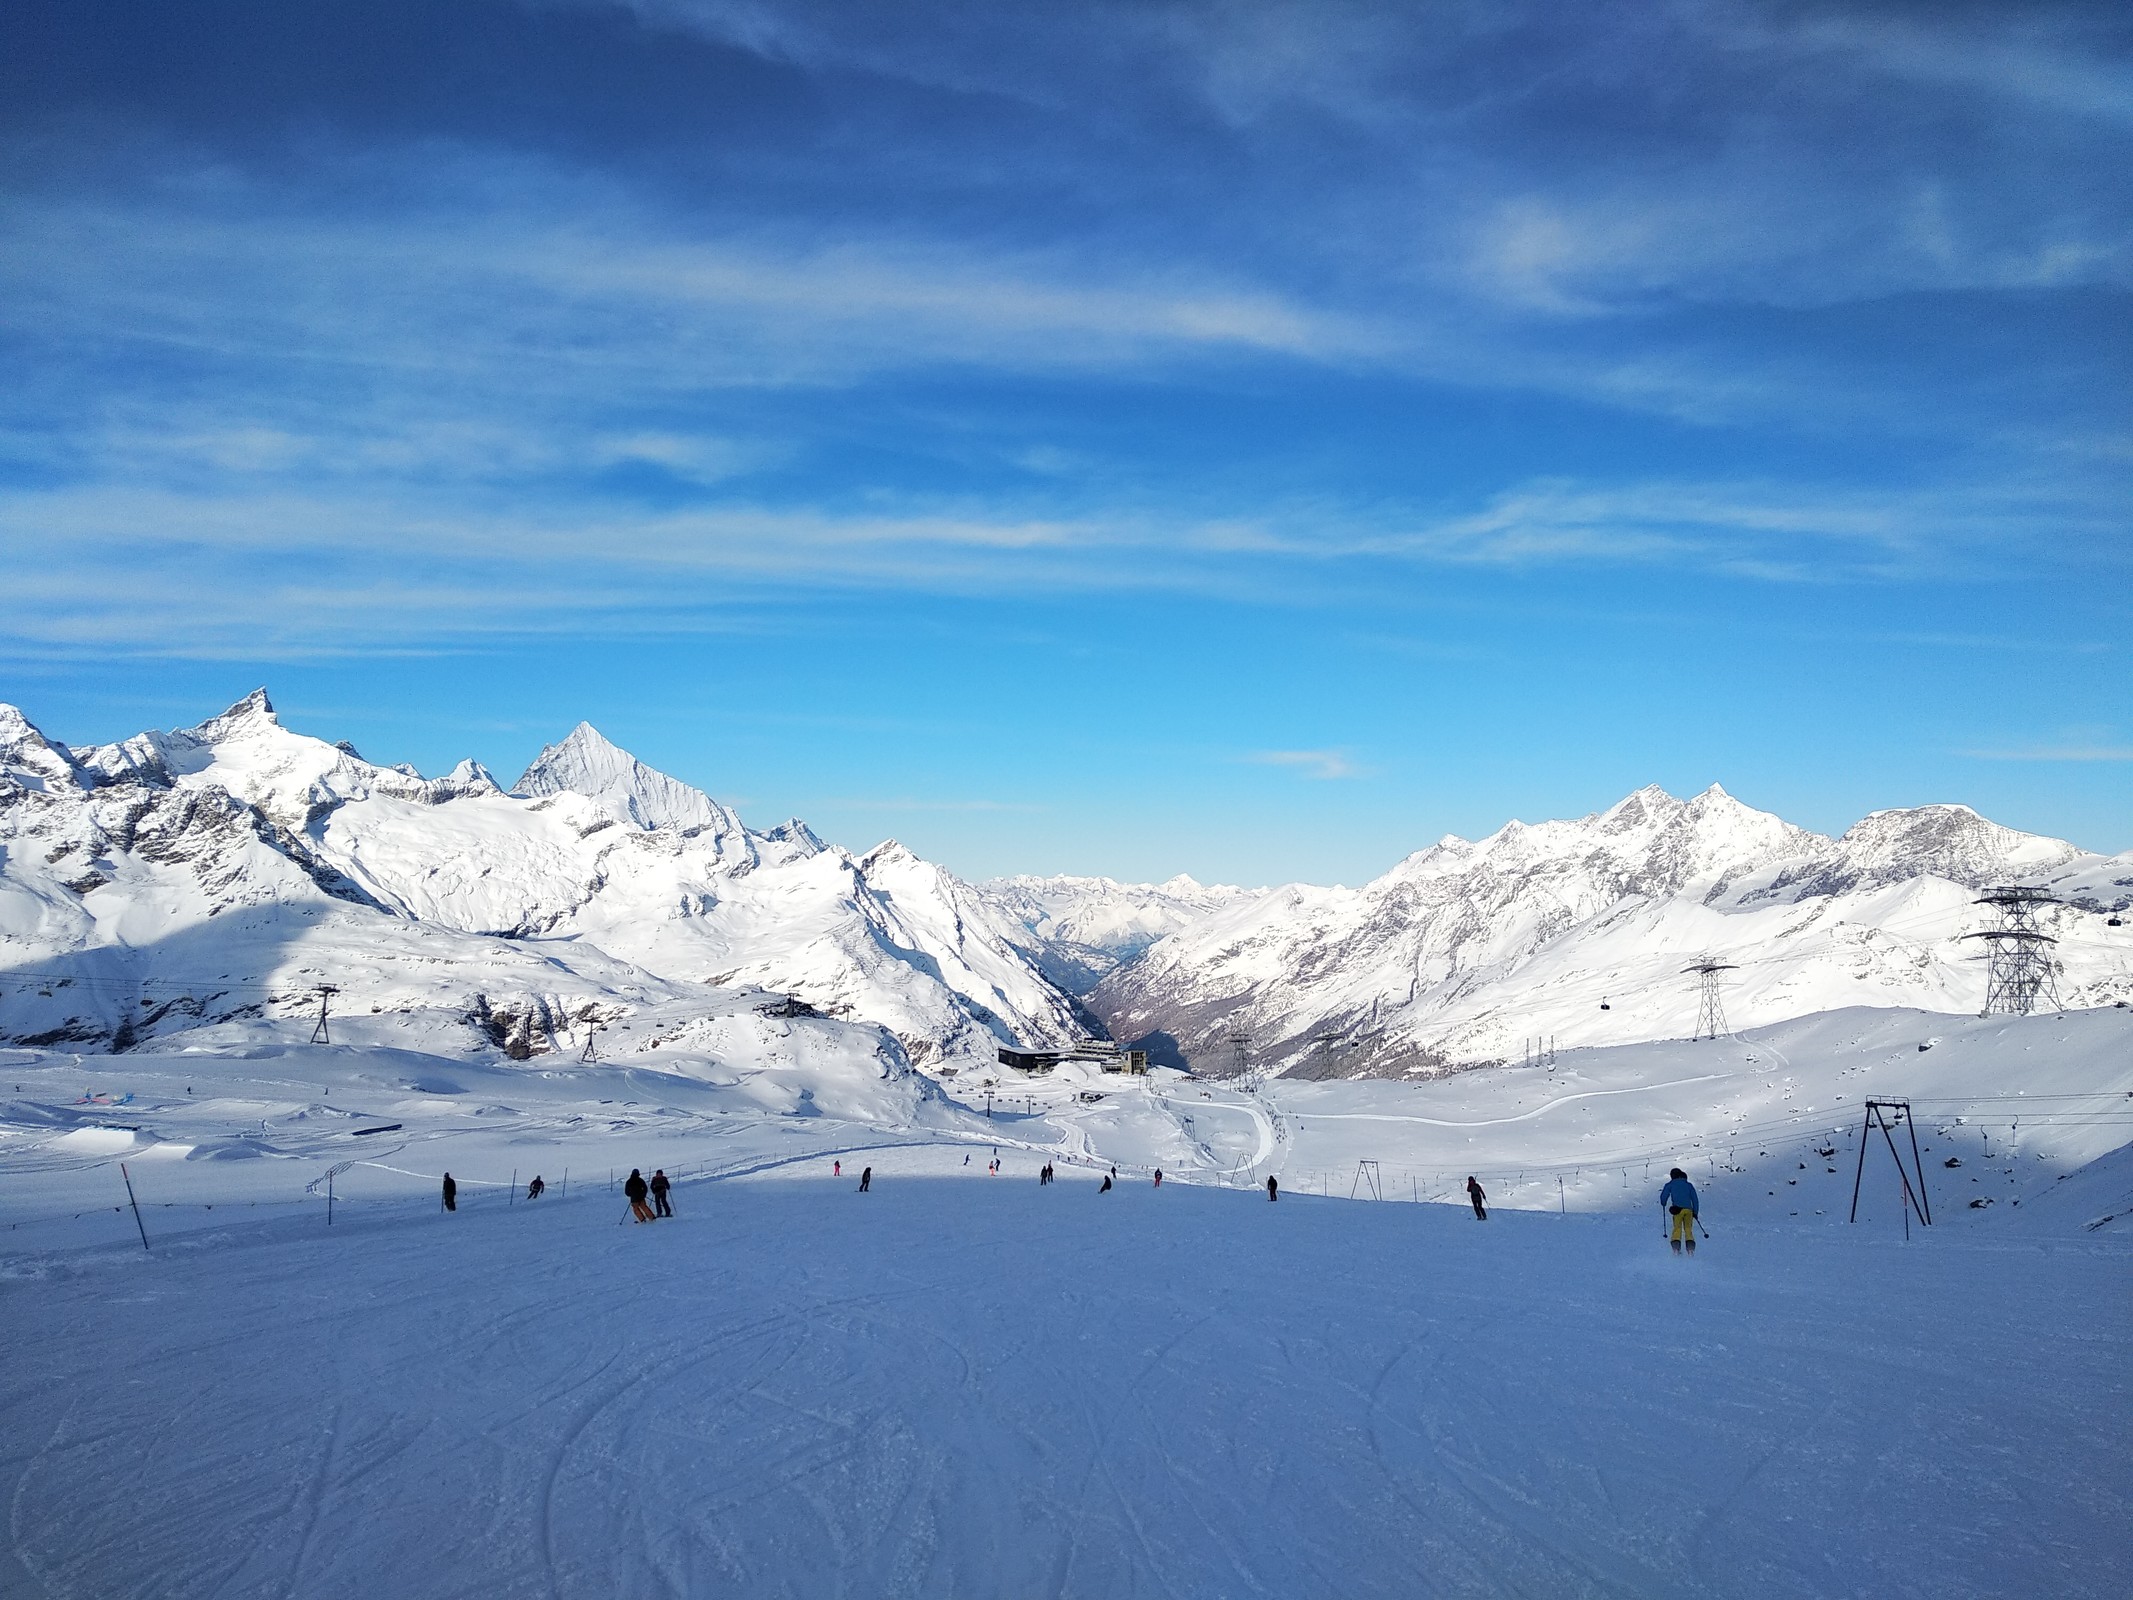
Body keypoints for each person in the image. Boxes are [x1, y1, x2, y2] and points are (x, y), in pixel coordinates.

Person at [1660, 1167, 1699, 1254]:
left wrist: (1663, 1203)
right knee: (1688, 1229)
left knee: (1677, 1228)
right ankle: (1690, 1249)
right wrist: (1695, 1212)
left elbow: (1664, 1195)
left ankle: (1676, 1249)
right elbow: (1695, 1199)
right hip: (1689, 1210)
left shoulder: (1670, 1184)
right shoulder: (1688, 1185)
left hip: (1677, 1210)